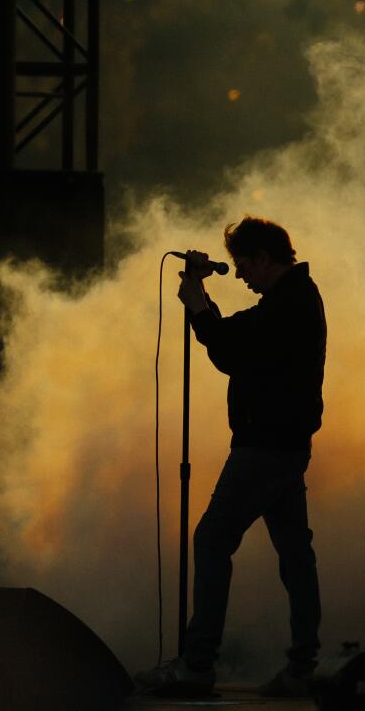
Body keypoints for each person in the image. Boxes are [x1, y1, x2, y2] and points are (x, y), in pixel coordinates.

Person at [136, 216, 326, 697]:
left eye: (244, 265)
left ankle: (198, 665)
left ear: (264, 258)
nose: (241, 275)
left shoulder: (290, 304)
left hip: (263, 448)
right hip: (281, 447)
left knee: (212, 540)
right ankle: (302, 668)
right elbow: (236, 341)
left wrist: (197, 302)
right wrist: (200, 301)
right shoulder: (294, 299)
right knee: (295, 556)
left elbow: (228, 350)